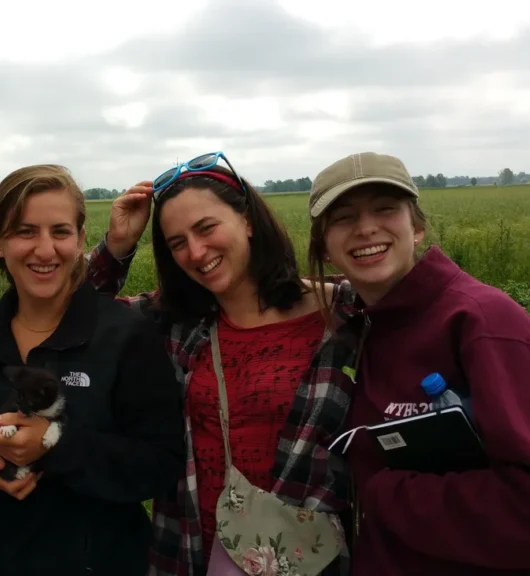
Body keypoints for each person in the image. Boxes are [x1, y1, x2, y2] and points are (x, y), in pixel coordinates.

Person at [306, 151, 530, 575]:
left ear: (418, 226)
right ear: (325, 249)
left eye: (386, 209)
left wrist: (384, 492)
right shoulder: (364, 325)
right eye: (343, 218)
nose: (366, 227)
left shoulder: (483, 323)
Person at [84, 152, 360, 575]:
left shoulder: (343, 315)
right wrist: (117, 246)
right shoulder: (175, 325)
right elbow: (76, 316)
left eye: (206, 227)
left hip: (310, 561)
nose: (196, 252)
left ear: (247, 220)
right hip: (188, 552)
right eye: (177, 243)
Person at [0, 164, 186, 576]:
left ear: (81, 240)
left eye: (60, 232)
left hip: (103, 561)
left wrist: (55, 444)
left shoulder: (123, 333)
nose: (45, 250)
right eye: (25, 231)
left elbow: (159, 461)